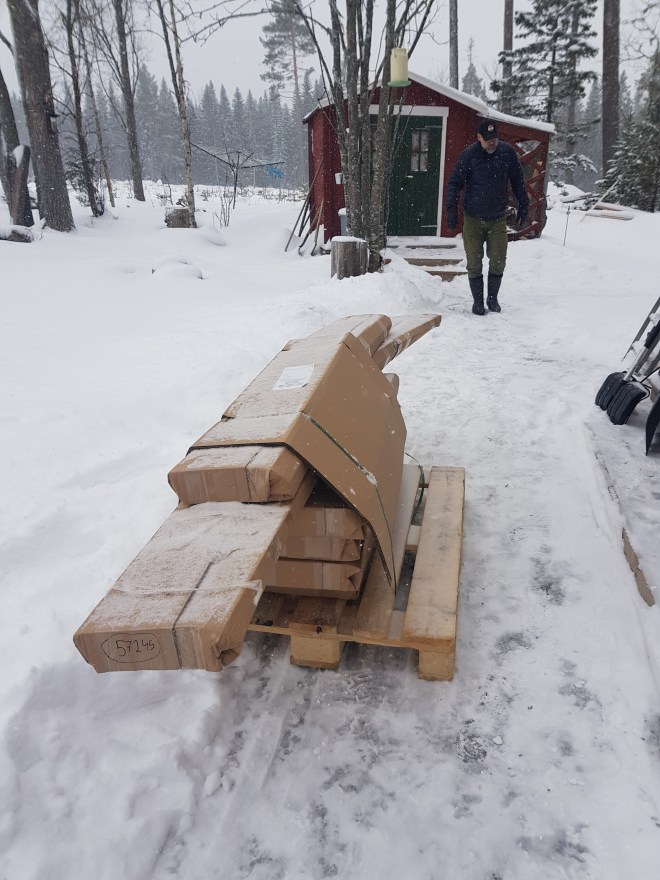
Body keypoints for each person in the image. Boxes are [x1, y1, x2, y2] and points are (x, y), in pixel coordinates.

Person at [445, 118, 529, 315]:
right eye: (488, 140)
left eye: (495, 139)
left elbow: (518, 181)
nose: (492, 143)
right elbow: (455, 183)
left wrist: (524, 204)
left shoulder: (507, 153)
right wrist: (451, 209)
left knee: (498, 259)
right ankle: (477, 301)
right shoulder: (469, 155)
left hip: (497, 218)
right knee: (474, 262)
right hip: (473, 218)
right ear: (479, 137)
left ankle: (492, 299)